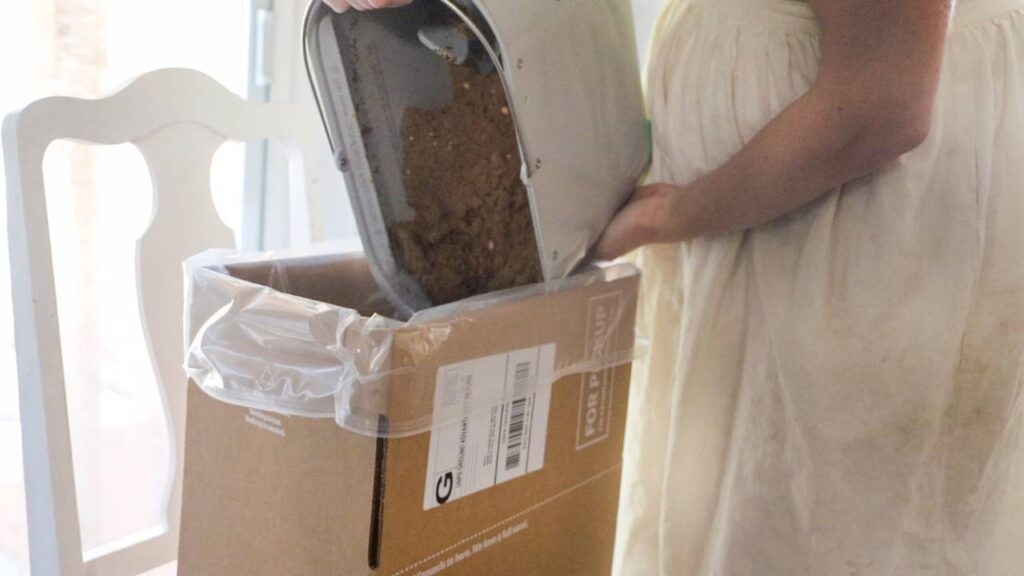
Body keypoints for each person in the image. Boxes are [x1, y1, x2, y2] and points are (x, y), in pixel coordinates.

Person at [319, 0, 1024, 573]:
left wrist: (673, 214)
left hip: (854, 235)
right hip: (747, 230)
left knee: (818, 530)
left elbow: (881, 105)